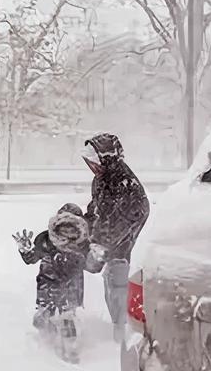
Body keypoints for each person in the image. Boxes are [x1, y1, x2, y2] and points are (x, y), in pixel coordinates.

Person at [80, 133, 150, 342]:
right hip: (109, 244)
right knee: (111, 284)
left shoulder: (126, 185)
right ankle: (116, 330)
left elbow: (132, 215)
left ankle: (125, 337)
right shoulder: (101, 180)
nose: (92, 167)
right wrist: (84, 225)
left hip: (123, 245)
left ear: (107, 158)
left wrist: (102, 245)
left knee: (119, 284)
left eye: (95, 162)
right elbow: (97, 209)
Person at [13, 203, 93, 363]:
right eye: (64, 227)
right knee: (44, 316)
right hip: (47, 283)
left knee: (67, 317)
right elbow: (32, 258)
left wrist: (98, 257)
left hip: (71, 285)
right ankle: (46, 342)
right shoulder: (46, 240)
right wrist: (26, 251)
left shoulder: (83, 244)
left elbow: (92, 266)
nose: (67, 233)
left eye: (72, 228)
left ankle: (70, 350)